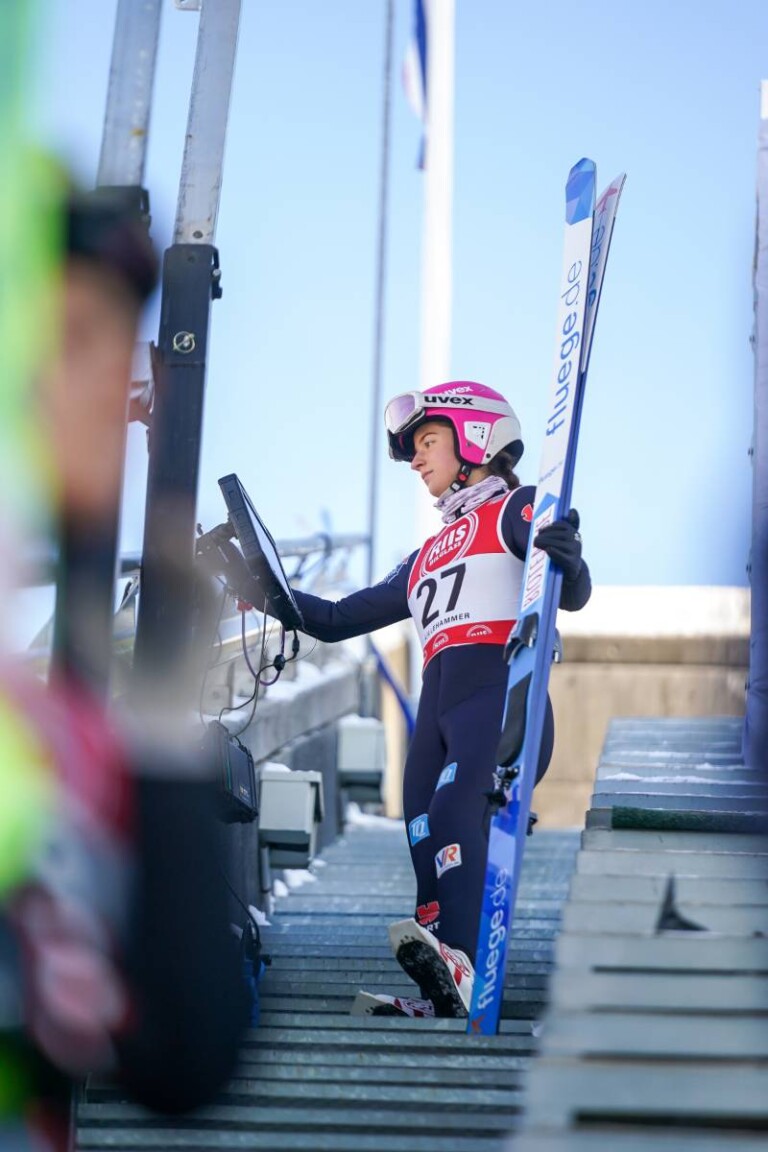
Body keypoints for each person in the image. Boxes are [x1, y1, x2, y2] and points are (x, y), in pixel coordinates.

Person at [288, 380, 591, 1017]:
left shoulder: (516, 507)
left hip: (495, 692)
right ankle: (446, 978)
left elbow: (569, 589)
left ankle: (465, 956)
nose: (418, 459)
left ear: (475, 435)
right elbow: (340, 616)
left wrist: (571, 557)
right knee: (421, 824)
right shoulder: (426, 552)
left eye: (428, 442)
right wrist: (254, 579)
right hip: (437, 705)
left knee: (457, 809)